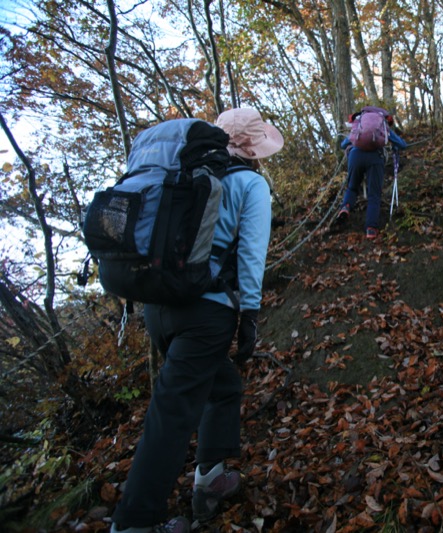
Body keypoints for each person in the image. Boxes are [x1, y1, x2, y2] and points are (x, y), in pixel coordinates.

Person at [110, 108, 284, 532]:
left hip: (159, 310)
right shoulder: (249, 184)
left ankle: (210, 480)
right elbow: (250, 257)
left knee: (221, 386)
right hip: (206, 315)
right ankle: (135, 521)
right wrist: (251, 316)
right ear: (253, 150)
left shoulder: (182, 176)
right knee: (172, 412)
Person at [336, 109, 407, 239]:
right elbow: (402, 145)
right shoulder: (382, 125)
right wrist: (397, 145)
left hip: (355, 156)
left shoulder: (359, 124)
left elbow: (343, 144)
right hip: (375, 157)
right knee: (374, 194)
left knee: (352, 187)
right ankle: (371, 229)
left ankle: (346, 206)